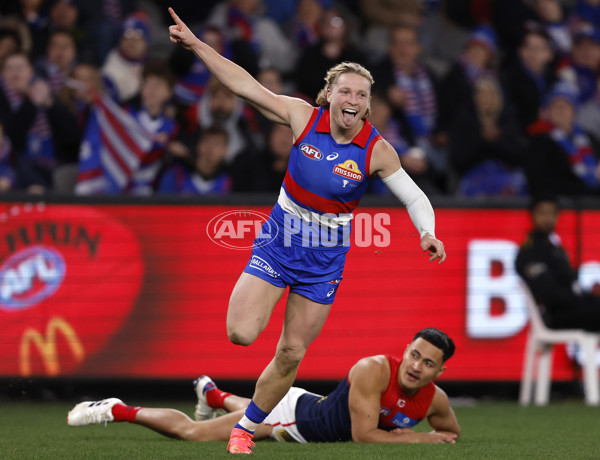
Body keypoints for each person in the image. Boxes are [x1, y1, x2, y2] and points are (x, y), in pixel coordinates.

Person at [168, 7, 447, 454]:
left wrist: (427, 232)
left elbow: (414, 197)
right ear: (330, 95)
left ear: (367, 103)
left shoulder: (376, 149)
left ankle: (245, 428)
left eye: (361, 93)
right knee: (239, 333)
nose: (352, 99)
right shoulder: (302, 117)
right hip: (280, 242)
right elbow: (243, 84)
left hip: (325, 258)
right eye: (345, 90)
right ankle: (224, 401)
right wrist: (199, 45)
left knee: (292, 352)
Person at [67, 328, 460, 445]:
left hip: (302, 408)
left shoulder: (434, 399)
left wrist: (439, 435)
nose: (416, 366)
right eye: (413, 355)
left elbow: (452, 433)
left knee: (254, 410)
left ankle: (214, 395)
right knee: (193, 434)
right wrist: (422, 440)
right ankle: (118, 409)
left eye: (428, 363)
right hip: (290, 418)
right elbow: (364, 437)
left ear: (438, 373)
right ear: (404, 350)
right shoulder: (373, 369)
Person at [516, 196, 600, 332]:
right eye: (542, 213)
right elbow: (550, 295)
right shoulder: (529, 252)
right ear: (532, 215)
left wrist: (589, 296)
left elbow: (569, 282)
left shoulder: (556, 249)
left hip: (573, 308)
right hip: (554, 315)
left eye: (552, 213)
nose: (547, 219)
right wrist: (581, 299)